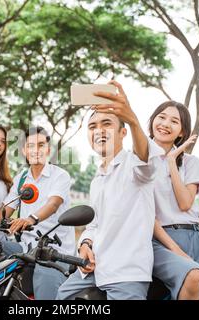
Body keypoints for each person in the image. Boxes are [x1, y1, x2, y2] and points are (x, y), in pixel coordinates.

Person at [56, 80, 164, 300]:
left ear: (123, 132)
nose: (99, 130)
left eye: (107, 124)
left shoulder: (134, 165)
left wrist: (132, 118)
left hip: (126, 273)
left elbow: (146, 161)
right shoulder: (97, 178)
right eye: (93, 126)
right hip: (94, 269)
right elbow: (94, 225)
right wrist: (85, 244)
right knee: (61, 296)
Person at [149, 101, 199, 300]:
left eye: (174, 121)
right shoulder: (139, 163)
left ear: (181, 132)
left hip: (198, 239)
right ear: (152, 121)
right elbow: (144, 213)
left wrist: (171, 161)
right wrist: (174, 249)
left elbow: (185, 203)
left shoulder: (191, 162)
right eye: (161, 117)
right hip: (161, 239)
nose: (166, 124)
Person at [0, 126, 75, 300]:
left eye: (41, 145)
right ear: (25, 150)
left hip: (54, 251)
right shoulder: (21, 178)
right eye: (31, 146)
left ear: (48, 149)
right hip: (26, 248)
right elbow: (4, 211)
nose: (36, 150)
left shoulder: (60, 175)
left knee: (45, 279)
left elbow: (53, 204)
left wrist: (31, 219)